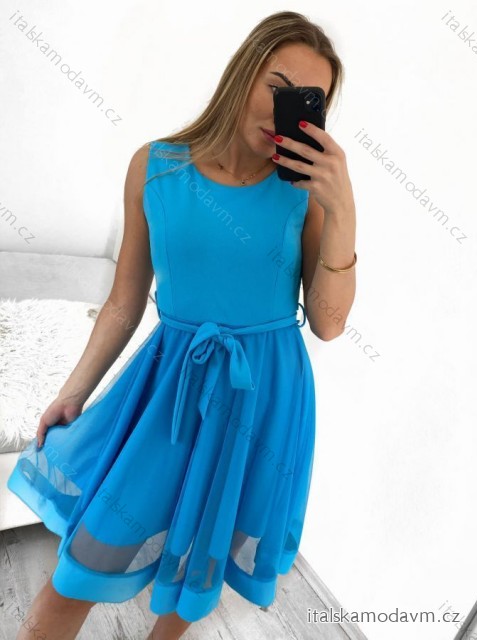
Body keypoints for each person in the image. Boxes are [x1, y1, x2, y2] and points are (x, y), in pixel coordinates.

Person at [7, 10, 356, 640]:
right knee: (80, 570)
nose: (287, 110)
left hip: (263, 399)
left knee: (202, 562)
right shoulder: (156, 166)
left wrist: (344, 209)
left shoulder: (307, 194)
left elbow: (329, 324)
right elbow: (124, 300)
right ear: (243, 73)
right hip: (167, 389)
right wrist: (74, 390)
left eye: (309, 101)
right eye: (278, 86)